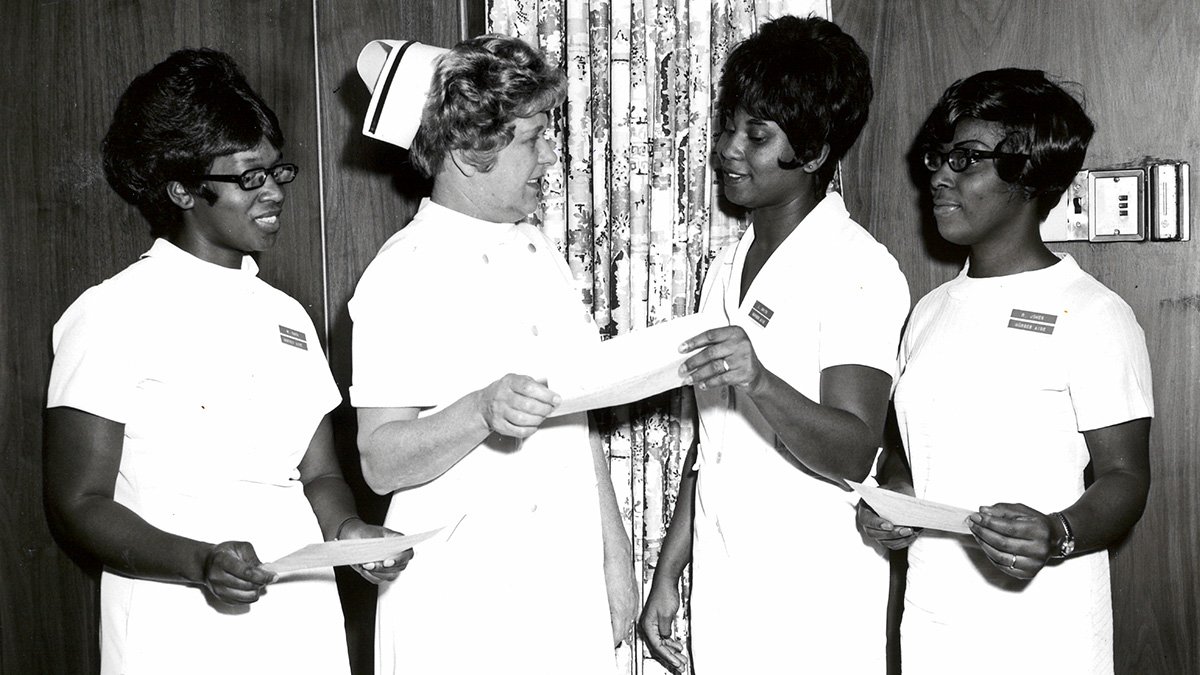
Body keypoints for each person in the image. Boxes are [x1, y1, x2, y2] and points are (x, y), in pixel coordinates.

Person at [43, 48, 410, 675]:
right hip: (178, 621)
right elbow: (77, 504)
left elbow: (318, 474)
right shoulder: (112, 313)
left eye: (275, 172)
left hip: (299, 615)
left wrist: (347, 531)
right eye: (247, 178)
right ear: (183, 188)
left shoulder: (288, 317)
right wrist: (200, 562)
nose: (271, 192)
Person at [350, 34, 637, 675]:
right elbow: (379, 460)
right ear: (470, 149)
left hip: (561, 581)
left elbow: (578, 420)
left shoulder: (541, 254)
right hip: (462, 601)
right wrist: (481, 411)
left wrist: (613, 556)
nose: (548, 155)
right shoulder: (402, 272)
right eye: (533, 136)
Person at [638, 15, 910, 674]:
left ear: (814, 153)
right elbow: (715, 440)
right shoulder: (724, 268)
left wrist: (759, 379)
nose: (730, 148)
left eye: (757, 135)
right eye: (729, 125)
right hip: (730, 576)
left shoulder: (858, 269)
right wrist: (670, 570)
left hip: (814, 594)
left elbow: (853, 447)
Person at [858, 68, 1153, 675]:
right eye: (938, 156)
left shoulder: (1094, 313)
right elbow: (917, 460)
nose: (938, 174)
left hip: (1046, 631)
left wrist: (1059, 532)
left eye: (966, 159)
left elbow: (1126, 478)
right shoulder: (929, 311)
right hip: (934, 622)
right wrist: (896, 502)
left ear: (1028, 174)